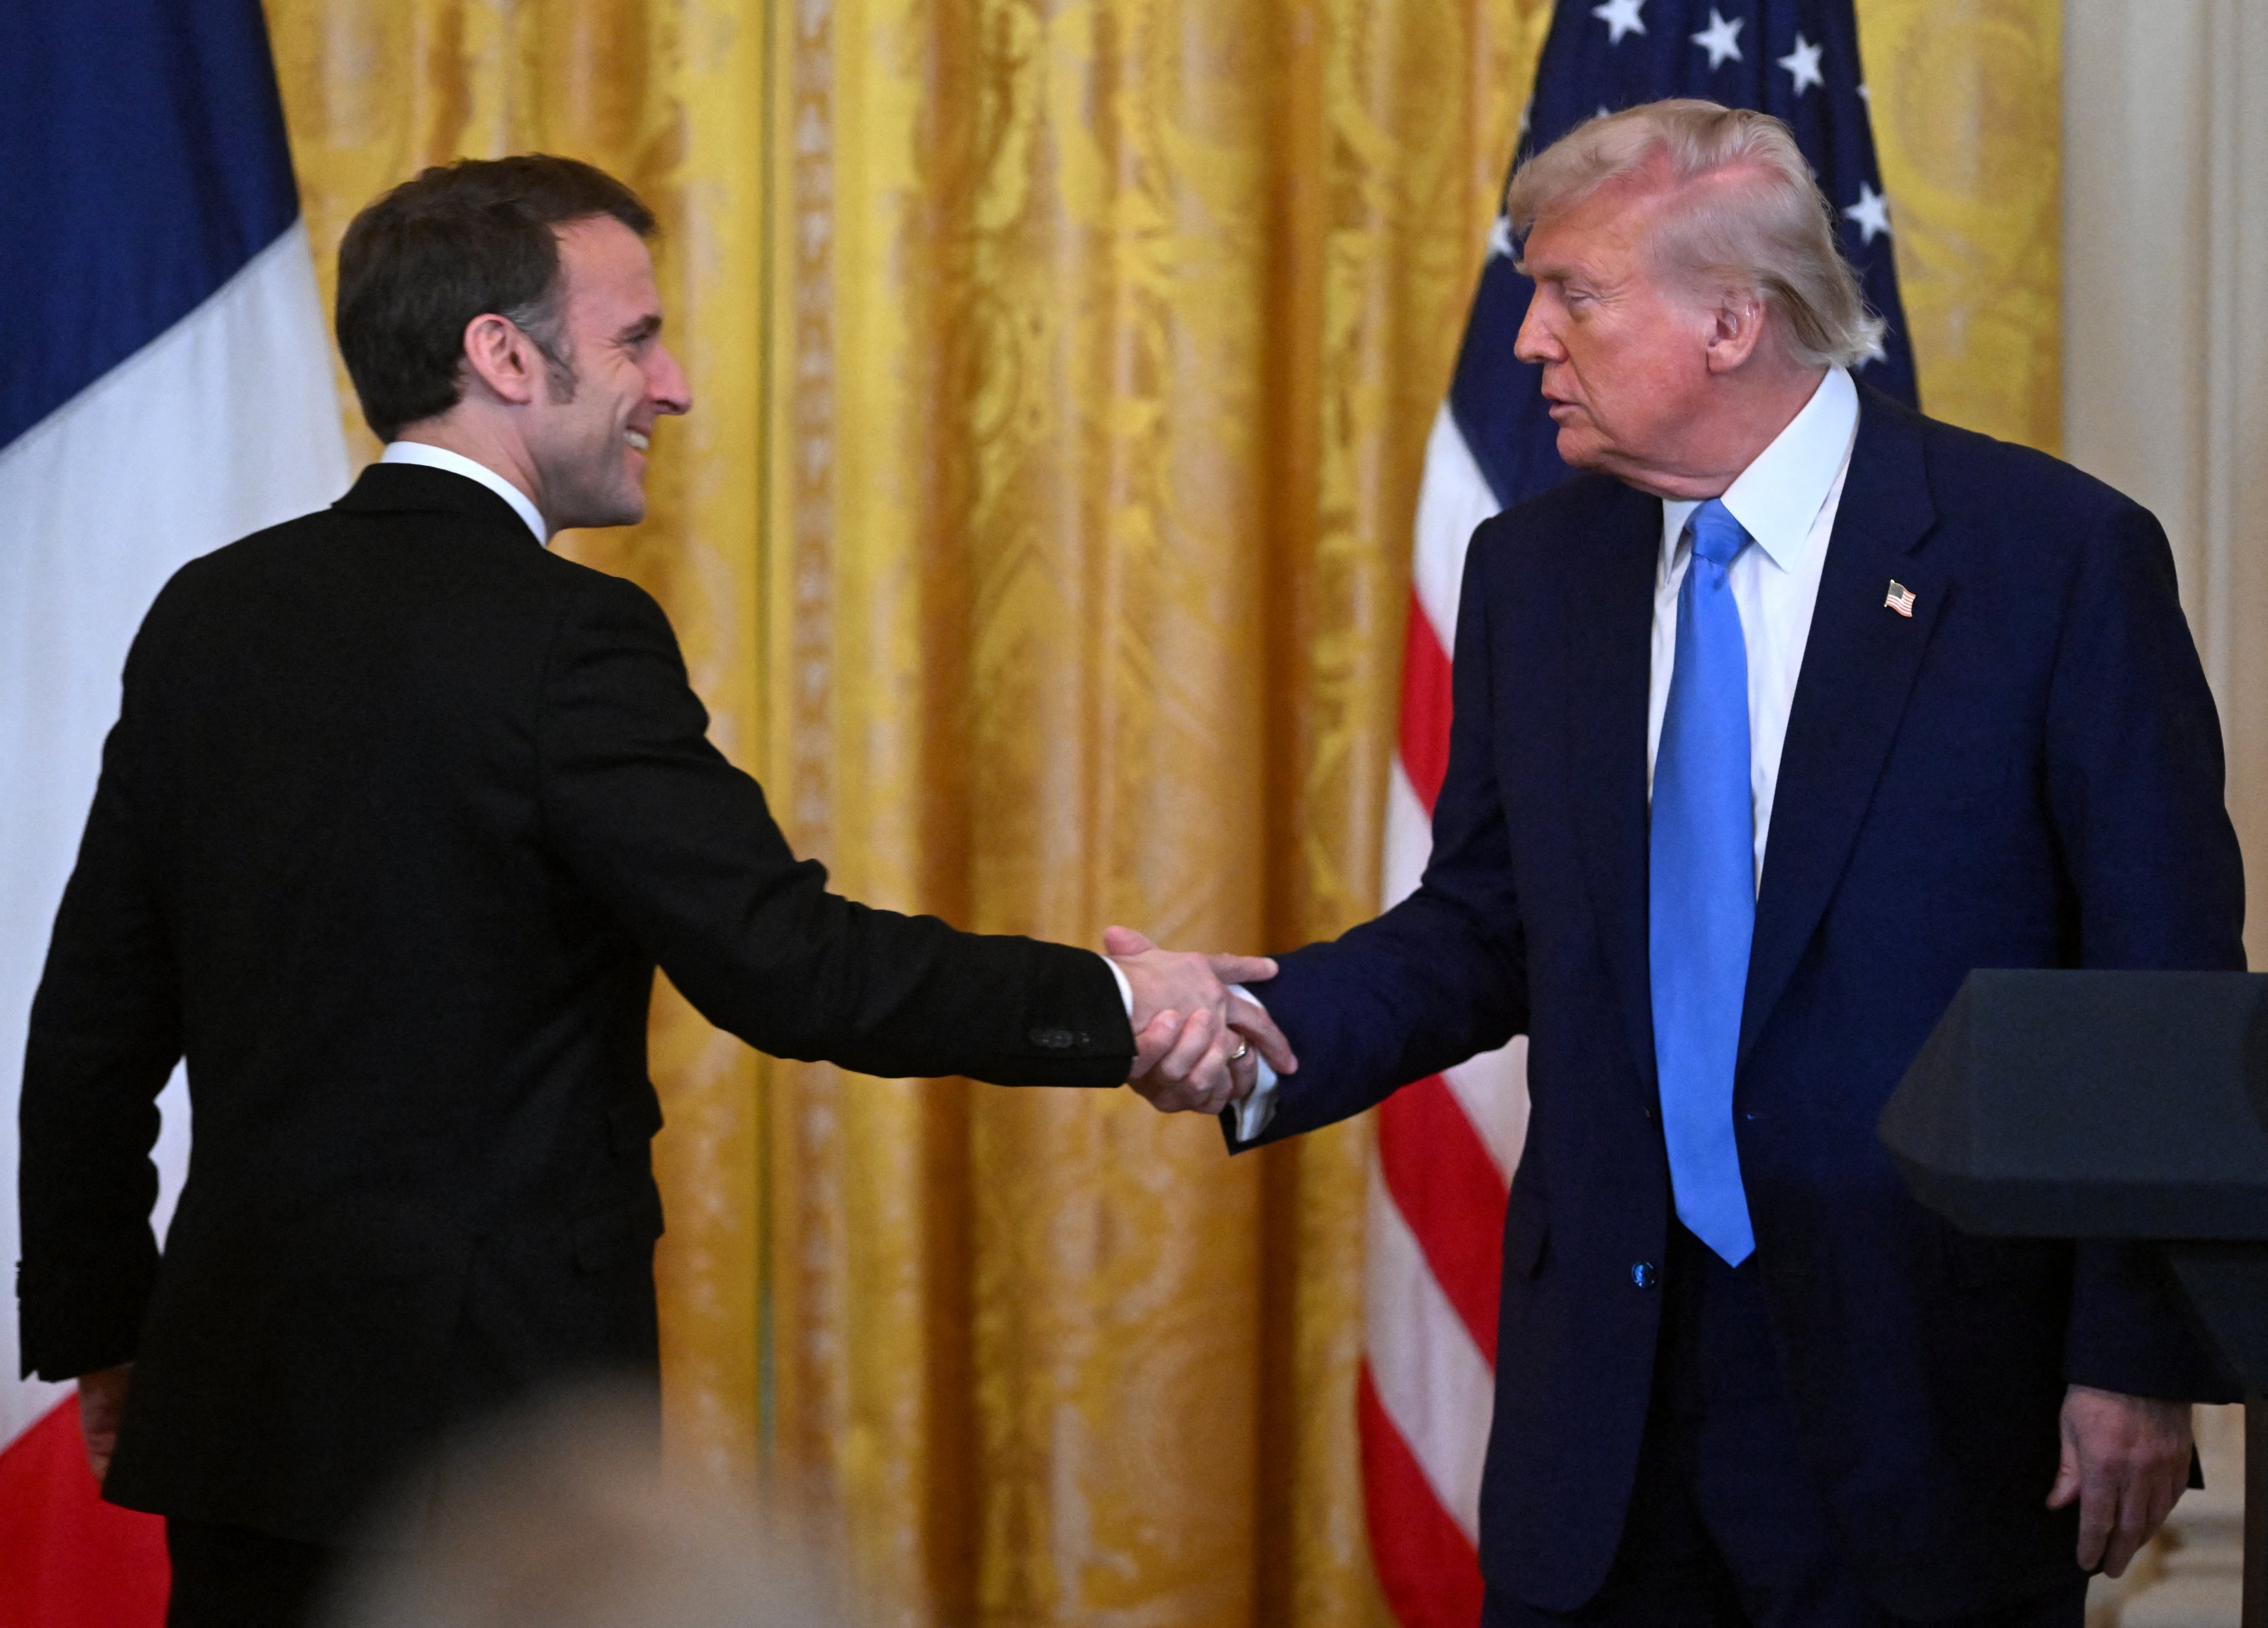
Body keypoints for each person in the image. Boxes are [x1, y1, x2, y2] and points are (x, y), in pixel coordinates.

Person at [15, 155, 1286, 1628]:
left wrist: (110, 1334)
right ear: (502, 353)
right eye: (635, 338)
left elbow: (94, 1030)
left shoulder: (208, 615)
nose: (672, 385)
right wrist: (1124, 1001)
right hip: (500, 1463)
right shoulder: (570, 638)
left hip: (241, 1418)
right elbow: (790, 964)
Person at [1182, 100, 2244, 1626]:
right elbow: (1488, 919)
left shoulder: (2050, 557)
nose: (1532, 337)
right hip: (1607, 1416)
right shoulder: (1538, 571)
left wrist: (2136, 1348)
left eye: (1574, 293)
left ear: (1732, 319)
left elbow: (2160, 980)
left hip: (1925, 1395)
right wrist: (1260, 1024)